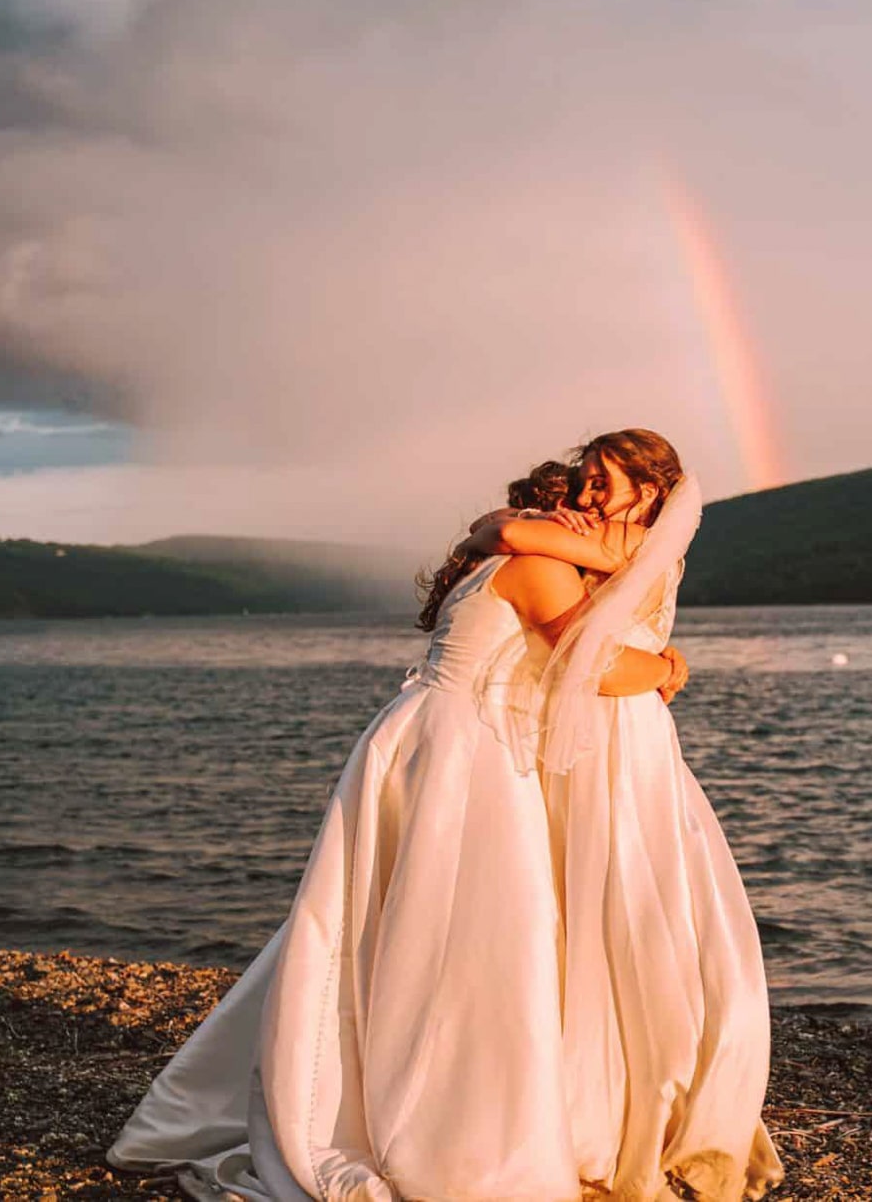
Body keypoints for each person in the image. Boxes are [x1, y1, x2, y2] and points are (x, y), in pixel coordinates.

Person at [107, 429, 782, 1202]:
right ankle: (437, 1116)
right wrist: (667, 667)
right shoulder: (535, 563)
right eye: (580, 488)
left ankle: (353, 1076)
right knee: (469, 930)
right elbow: (583, 663)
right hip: (465, 751)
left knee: (378, 920)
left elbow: (522, 570)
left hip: (430, 736)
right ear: (550, 503)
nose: (587, 503)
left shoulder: (524, 555)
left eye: (604, 486)